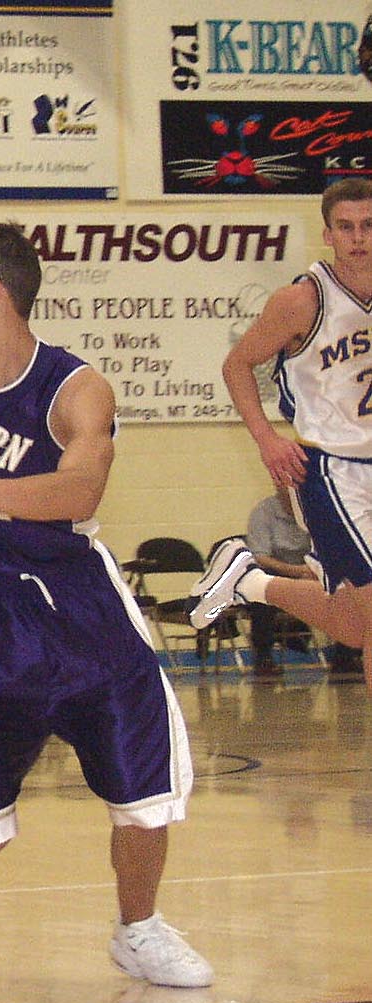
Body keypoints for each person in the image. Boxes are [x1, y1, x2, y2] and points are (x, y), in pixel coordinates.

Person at [0, 221, 212, 988]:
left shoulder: (76, 389)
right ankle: (19, 735)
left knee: (145, 791)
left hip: (75, 605)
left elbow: (80, 489)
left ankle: (139, 928)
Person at [192, 177, 372, 692]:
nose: (358, 237)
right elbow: (237, 365)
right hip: (330, 470)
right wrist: (268, 440)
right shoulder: (301, 300)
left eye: (368, 226)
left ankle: (248, 577)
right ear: (328, 233)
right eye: (346, 227)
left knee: (355, 627)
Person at [240, 487, 319, 676]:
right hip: (275, 571)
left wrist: (315, 570)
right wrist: (297, 572)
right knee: (262, 584)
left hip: (310, 571)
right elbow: (260, 556)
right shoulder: (264, 512)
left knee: (349, 582)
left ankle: (347, 656)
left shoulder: (316, 510)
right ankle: (263, 656)